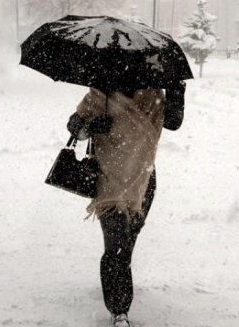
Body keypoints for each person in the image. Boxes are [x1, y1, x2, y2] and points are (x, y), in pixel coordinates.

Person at [67, 82, 185, 327]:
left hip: (142, 180)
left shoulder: (152, 94)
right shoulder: (101, 93)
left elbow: (172, 121)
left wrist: (177, 90)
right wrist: (89, 127)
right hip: (108, 180)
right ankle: (119, 311)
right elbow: (74, 124)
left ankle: (117, 281)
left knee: (128, 239)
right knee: (116, 244)